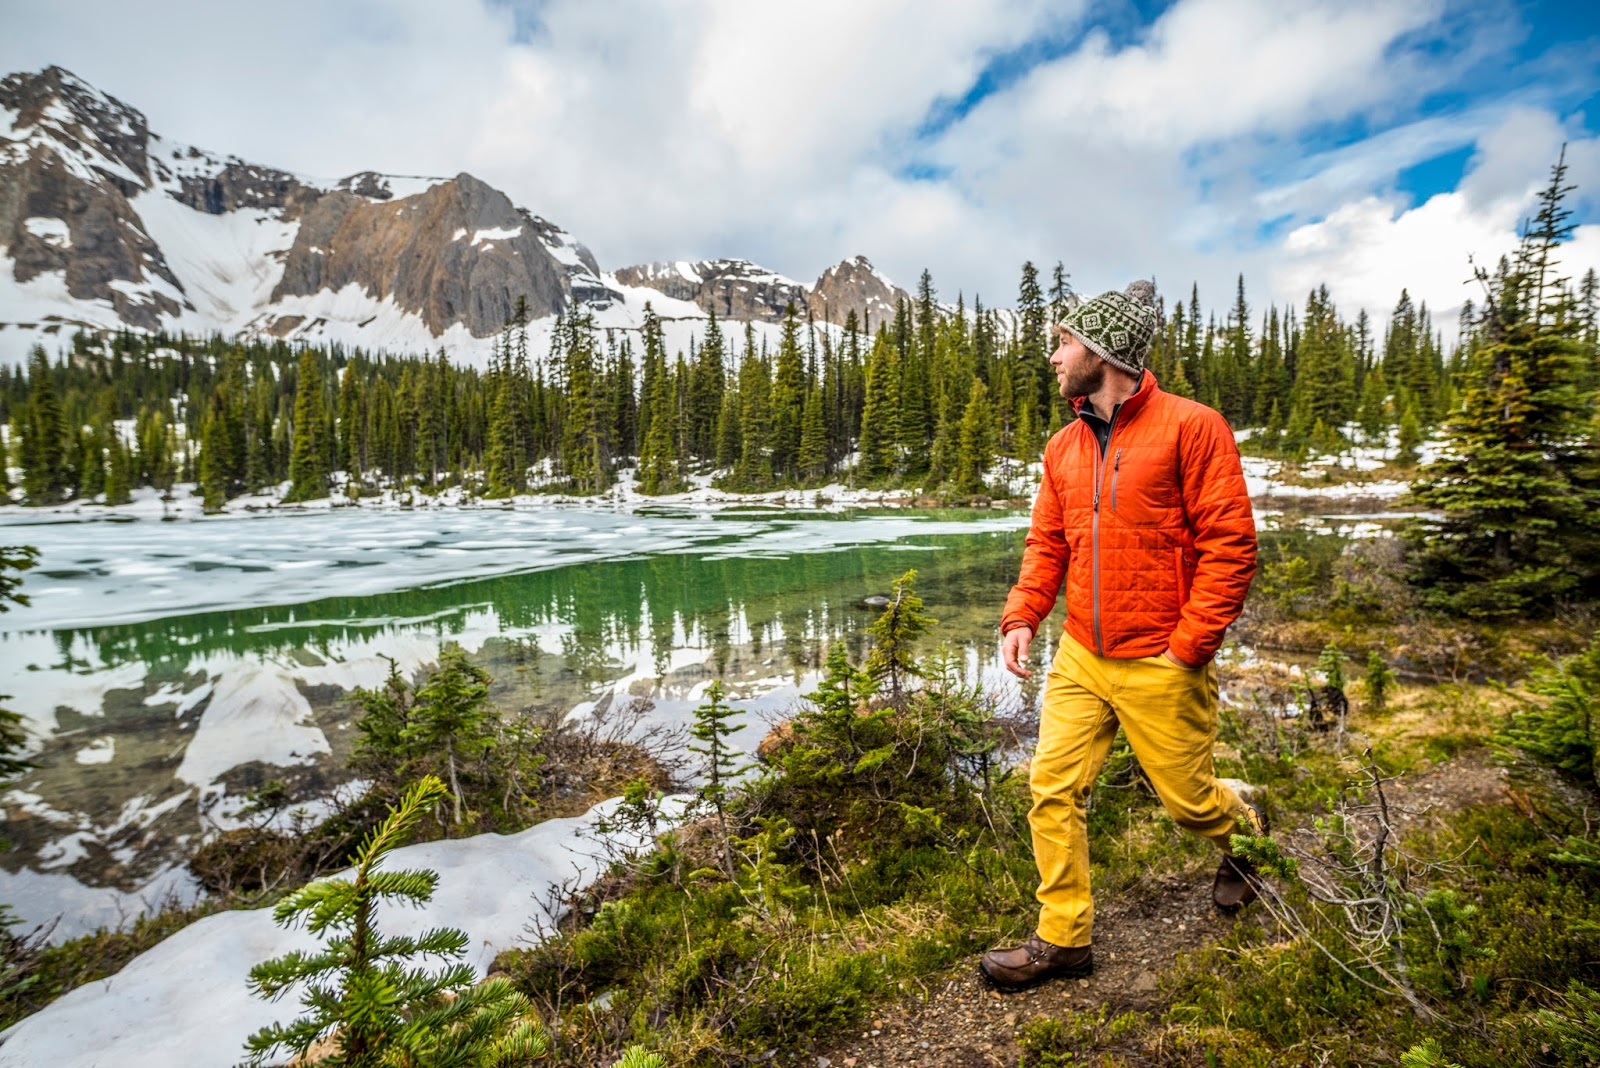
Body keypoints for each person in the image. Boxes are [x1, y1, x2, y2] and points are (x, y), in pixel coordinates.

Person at [979, 279, 1261, 992]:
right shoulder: (1063, 446)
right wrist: (1022, 616)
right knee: (1051, 789)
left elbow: (1231, 546)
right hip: (1081, 654)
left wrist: (1188, 648)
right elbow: (1048, 542)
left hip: (1161, 657)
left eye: (1064, 342)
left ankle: (1248, 838)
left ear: (1103, 353)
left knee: (1191, 805)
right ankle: (1063, 939)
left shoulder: (1193, 427)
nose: (1053, 356)